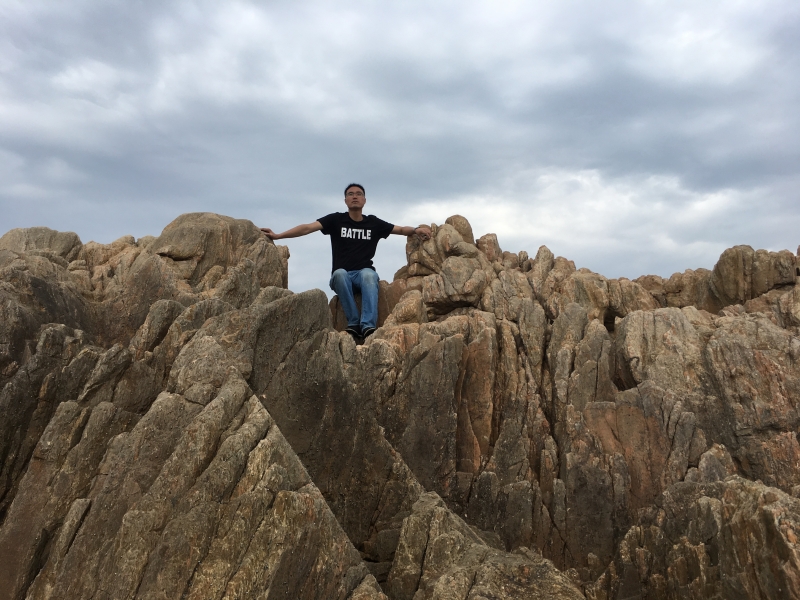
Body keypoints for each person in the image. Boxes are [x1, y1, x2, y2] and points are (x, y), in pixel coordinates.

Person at [261, 183, 432, 339]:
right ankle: (354, 323)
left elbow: (400, 229)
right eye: (350, 194)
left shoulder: (373, 223)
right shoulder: (336, 220)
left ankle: (368, 326)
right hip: (342, 277)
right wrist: (278, 235)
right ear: (345, 200)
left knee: (369, 275)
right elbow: (307, 228)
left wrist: (416, 229)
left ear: (364, 200)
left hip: (364, 275)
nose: (354, 196)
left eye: (358, 194)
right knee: (340, 274)